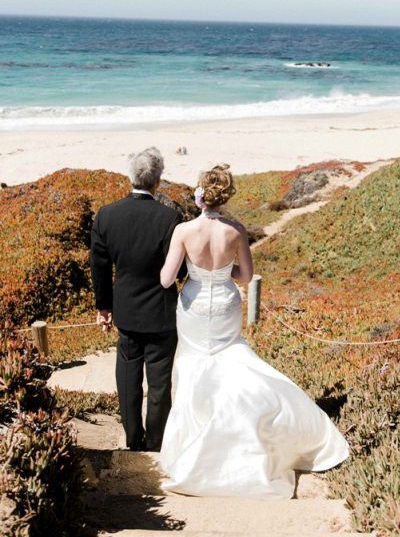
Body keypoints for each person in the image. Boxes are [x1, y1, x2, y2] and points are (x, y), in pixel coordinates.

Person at [159, 163, 349, 497]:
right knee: (231, 359)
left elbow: (165, 278)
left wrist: (196, 271)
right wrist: (220, 272)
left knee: (191, 366)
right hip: (227, 306)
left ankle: (193, 443)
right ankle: (247, 423)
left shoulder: (184, 231)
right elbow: (246, 276)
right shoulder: (236, 230)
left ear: (200, 195)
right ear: (225, 196)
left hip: (194, 305)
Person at [90, 147, 186, 452]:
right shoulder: (170, 217)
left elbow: (100, 266)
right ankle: (156, 443)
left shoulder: (107, 215)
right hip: (162, 312)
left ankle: (133, 438)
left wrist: (103, 307)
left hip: (126, 311)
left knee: (128, 377)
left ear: (131, 176)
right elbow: (180, 270)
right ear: (158, 180)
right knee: (159, 384)